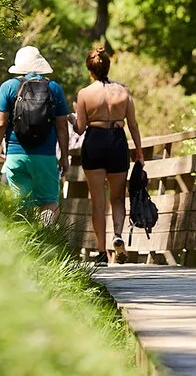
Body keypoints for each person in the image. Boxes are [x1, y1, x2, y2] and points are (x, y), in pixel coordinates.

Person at [69, 47, 144, 266]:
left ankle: (101, 252)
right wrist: (139, 152)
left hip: (95, 142)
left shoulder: (84, 94)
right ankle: (117, 235)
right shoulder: (123, 92)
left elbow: (80, 129)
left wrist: (72, 119)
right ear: (108, 67)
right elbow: (133, 125)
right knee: (118, 198)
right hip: (117, 143)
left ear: (90, 70)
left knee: (98, 202)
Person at [0, 46, 69, 225]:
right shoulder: (54, 88)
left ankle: (26, 237)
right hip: (46, 156)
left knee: (21, 204)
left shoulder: (8, 87)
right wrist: (64, 156)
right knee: (49, 201)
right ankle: (44, 230)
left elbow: (0, 124)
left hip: (16, 155)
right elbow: (62, 127)